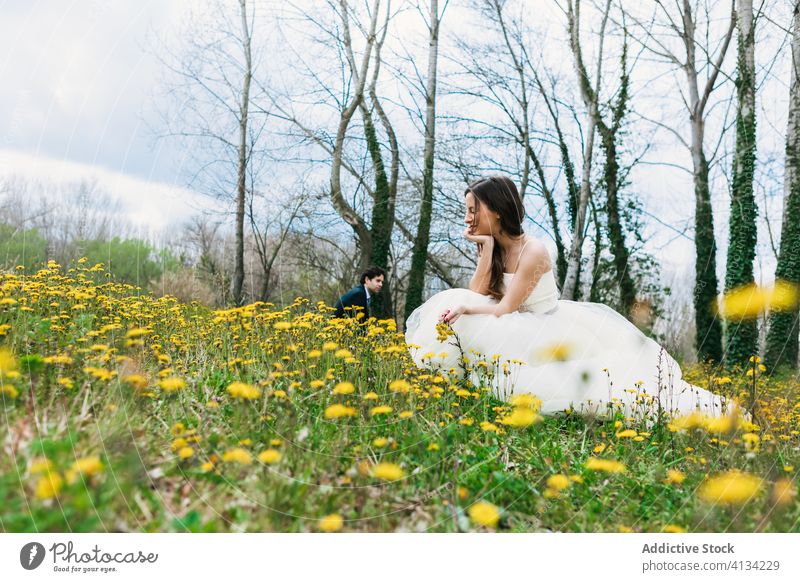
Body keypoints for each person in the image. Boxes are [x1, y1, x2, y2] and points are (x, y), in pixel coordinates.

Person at [404, 176, 729, 419]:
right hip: (513, 320)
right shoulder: (496, 246)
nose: (467, 218)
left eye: (474, 210)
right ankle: (448, 386)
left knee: (463, 310)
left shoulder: (534, 250)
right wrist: (486, 251)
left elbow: (505, 307)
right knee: (455, 301)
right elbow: (476, 293)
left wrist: (466, 307)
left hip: (540, 324)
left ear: (498, 211)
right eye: (467, 211)